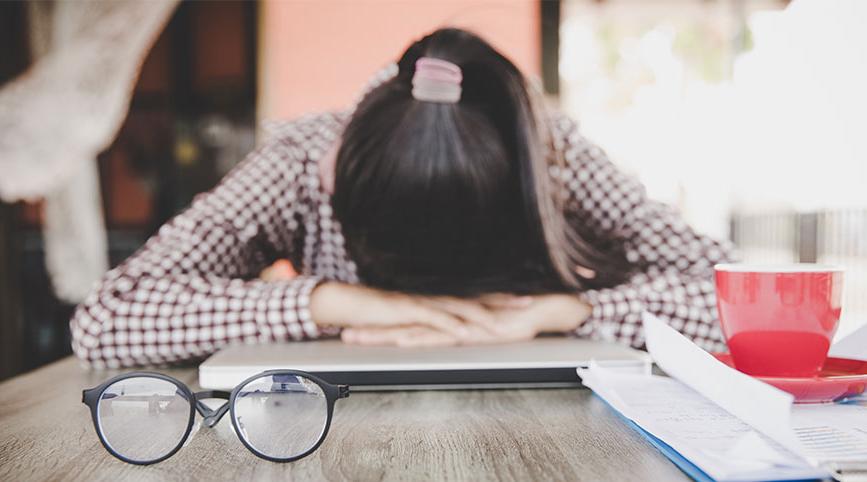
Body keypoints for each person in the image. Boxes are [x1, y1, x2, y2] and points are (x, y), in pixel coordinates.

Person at [70, 28, 735, 369]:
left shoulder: (547, 152)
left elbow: (733, 297)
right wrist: (334, 301)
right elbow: (106, 318)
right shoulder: (301, 160)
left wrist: (563, 312)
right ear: (335, 182)